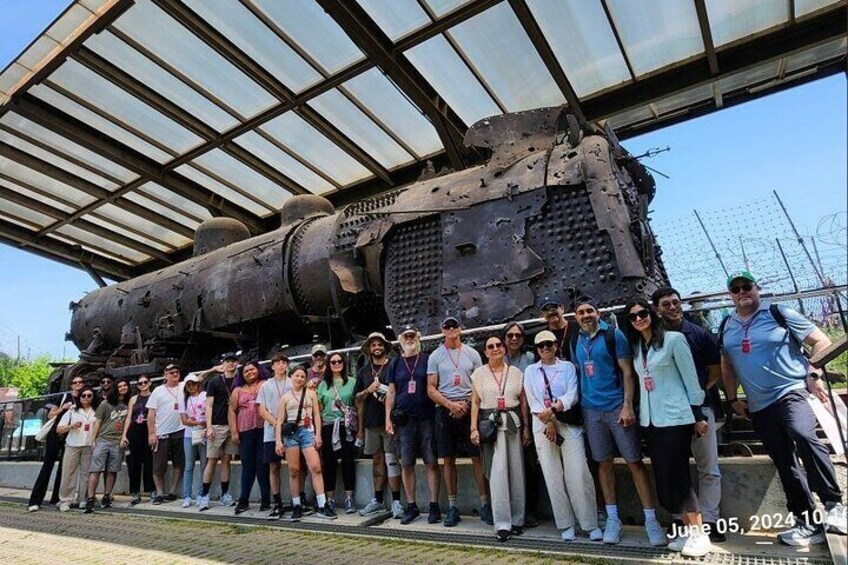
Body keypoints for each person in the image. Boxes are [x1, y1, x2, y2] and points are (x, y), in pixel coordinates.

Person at [721, 270, 846, 545]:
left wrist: (813, 374)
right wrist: (732, 399)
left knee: (803, 435)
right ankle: (807, 522)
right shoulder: (726, 325)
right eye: (736, 289)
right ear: (730, 294)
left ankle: (834, 505)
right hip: (758, 402)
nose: (742, 292)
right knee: (784, 460)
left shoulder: (778, 312)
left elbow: (820, 341)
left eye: (746, 286)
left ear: (757, 287)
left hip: (790, 390)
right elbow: (727, 364)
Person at [572, 296, 665, 546]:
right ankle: (613, 518)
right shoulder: (575, 341)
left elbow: (627, 372)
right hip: (591, 410)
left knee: (634, 461)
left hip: (616, 407)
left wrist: (627, 406)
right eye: (581, 312)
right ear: (576, 317)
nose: (586, 315)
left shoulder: (614, 336)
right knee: (603, 463)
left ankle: (651, 520)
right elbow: (580, 374)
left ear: (598, 312)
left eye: (589, 310)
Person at [623, 299, 711, 557]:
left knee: (680, 476)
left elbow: (691, 379)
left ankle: (699, 533)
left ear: (652, 314)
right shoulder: (639, 348)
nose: (639, 318)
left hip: (676, 417)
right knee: (666, 477)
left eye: (642, 313)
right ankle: (685, 531)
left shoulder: (674, 340)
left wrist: (697, 414)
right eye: (633, 316)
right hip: (652, 420)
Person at [652, 286, 725, 542]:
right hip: (670, 414)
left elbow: (715, 372)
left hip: (700, 408)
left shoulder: (699, 335)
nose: (672, 307)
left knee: (708, 466)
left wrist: (695, 398)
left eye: (675, 302)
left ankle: (711, 520)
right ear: (657, 309)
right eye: (666, 304)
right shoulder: (654, 338)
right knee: (675, 467)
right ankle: (681, 518)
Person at [524, 331, 603, 543]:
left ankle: (589, 523)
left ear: (556, 345)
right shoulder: (531, 371)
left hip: (567, 423)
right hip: (543, 425)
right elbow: (533, 399)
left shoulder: (567, 367)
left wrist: (555, 410)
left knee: (578, 473)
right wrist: (548, 421)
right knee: (552, 475)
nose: (545, 349)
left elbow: (572, 394)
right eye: (540, 346)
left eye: (549, 344)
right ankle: (566, 523)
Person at [427, 316, 488, 527]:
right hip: (445, 410)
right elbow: (431, 387)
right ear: (442, 330)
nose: (451, 329)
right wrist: (450, 405)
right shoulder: (435, 356)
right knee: (448, 459)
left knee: (477, 457)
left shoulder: (472, 354)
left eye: (454, 326)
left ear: (460, 329)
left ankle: (485, 504)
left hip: (469, 407)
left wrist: (466, 404)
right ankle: (453, 507)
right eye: (447, 327)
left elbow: (479, 382)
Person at [470, 336, 531, 542]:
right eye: (490, 346)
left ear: (504, 349)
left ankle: (517, 520)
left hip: (513, 422)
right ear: (485, 352)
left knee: (516, 473)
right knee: (497, 475)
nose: (495, 349)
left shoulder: (515, 372)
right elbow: (475, 402)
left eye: (498, 345)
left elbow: (523, 401)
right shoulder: (478, 374)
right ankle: (503, 524)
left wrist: (526, 429)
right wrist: (473, 428)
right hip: (491, 424)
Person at [385, 327, 440, 525]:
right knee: (406, 463)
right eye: (406, 336)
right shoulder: (395, 363)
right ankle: (412, 505)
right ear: (400, 340)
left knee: (431, 461)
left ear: (418, 339)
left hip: (426, 417)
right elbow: (391, 392)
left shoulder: (427, 359)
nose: (409, 339)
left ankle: (434, 505)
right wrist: (387, 419)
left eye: (412, 336)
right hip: (404, 420)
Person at [275, 366, 337, 520]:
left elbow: (317, 414)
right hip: (291, 434)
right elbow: (280, 420)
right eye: (297, 376)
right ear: (291, 377)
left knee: (316, 467)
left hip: (307, 431)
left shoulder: (311, 394)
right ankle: (297, 504)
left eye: (303, 376)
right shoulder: (285, 397)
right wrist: (278, 441)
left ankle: (322, 504)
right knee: (294, 470)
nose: (300, 379)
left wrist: (318, 435)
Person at [355, 332, 404, 518]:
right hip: (371, 422)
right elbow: (357, 399)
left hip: (390, 423)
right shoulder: (364, 371)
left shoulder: (393, 365)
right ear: (368, 349)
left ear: (385, 347)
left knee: (392, 461)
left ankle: (397, 501)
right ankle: (378, 500)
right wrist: (368, 390)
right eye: (373, 345)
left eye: (379, 344)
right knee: (377, 462)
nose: (376, 347)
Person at [502, 323, 540, 528]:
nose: (514, 339)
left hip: (529, 414)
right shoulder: (498, 358)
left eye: (518, 335)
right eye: (510, 335)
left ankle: (531, 509)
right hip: (507, 414)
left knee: (529, 465)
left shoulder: (530, 359)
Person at [27, 375, 83, 512]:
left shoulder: (83, 400)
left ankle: (56, 499)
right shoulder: (64, 396)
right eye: (75, 382)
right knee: (47, 466)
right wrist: (62, 408)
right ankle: (35, 501)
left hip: (70, 437)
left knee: (64, 469)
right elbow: (50, 415)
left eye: (81, 382)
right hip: (56, 434)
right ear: (71, 385)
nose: (78, 384)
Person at [316, 352, 358, 513]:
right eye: (333, 362)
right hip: (328, 426)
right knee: (329, 463)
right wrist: (318, 433)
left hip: (346, 425)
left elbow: (357, 405)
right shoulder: (322, 385)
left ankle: (349, 498)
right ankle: (330, 498)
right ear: (329, 364)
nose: (336, 364)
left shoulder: (352, 382)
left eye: (339, 361)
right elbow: (319, 411)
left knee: (348, 461)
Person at [229, 359, 271, 514]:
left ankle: (266, 499)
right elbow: (232, 411)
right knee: (248, 466)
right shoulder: (237, 390)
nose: (249, 372)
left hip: (264, 430)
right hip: (245, 432)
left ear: (258, 370)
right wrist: (234, 431)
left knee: (262, 465)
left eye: (252, 369)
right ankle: (243, 500)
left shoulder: (266, 384)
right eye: (246, 371)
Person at [84, 378, 130, 513]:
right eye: (120, 386)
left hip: (118, 441)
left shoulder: (129, 403)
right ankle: (90, 498)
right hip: (103, 439)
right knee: (95, 470)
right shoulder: (105, 403)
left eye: (125, 385)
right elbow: (97, 422)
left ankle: (107, 495)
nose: (122, 388)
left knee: (112, 470)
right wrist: (93, 439)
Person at [200, 353, 240, 508]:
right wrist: (208, 426)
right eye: (228, 361)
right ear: (223, 363)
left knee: (226, 461)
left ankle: (225, 494)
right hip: (217, 425)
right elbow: (208, 406)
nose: (231, 364)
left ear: (237, 363)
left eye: (233, 361)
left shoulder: (239, 381)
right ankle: (204, 495)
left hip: (233, 425)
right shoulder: (214, 382)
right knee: (212, 460)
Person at [256, 353, 293, 519]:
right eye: (277, 363)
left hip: (291, 429)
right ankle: (277, 501)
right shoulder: (266, 385)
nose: (281, 365)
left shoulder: (293, 382)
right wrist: (277, 423)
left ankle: (297, 499)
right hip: (271, 430)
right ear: (272, 366)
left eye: (284, 362)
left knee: (295, 465)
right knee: (273, 466)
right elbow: (261, 410)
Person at [147, 364, 186, 504]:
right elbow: (151, 414)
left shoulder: (183, 386)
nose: (175, 374)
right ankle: (159, 492)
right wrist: (152, 433)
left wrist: (213, 369)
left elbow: (199, 377)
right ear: (165, 375)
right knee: (158, 465)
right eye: (171, 372)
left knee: (179, 462)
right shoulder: (158, 391)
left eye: (176, 372)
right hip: (162, 431)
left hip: (180, 430)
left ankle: (173, 490)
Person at [56, 387, 95, 512]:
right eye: (83, 395)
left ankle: (83, 499)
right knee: (68, 473)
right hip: (73, 444)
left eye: (89, 395)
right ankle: (65, 500)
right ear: (80, 397)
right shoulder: (72, 411)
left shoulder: (96, 411)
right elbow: (59, 429)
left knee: (86, 474)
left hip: (88, 445)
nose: (86, 398)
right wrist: (71, 426)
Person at [121, 374, 155, 505]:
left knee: (149, 462)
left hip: (148, 430)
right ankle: (135, 492)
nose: (143, 385)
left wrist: (154, 434)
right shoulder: (133, 399)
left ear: (150, 383)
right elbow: (129, 417)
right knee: (133, 463)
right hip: (134, 431)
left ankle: (151, 489)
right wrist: (124, 434)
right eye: (140, 383)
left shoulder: (154, 396)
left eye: (145, 382)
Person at [179, 374, 207, 508]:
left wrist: (205, 423)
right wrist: (191, 422)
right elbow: (183, 419)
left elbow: (209, 413)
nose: (191, 387)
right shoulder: (184, 399)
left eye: (193, 384)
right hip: (189, 433)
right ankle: (187, 495)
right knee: (189, 466)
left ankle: (201, 494)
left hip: (203, 432)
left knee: (204, 465)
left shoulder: (204, 396)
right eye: (188, 385)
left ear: (198, 384)